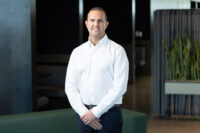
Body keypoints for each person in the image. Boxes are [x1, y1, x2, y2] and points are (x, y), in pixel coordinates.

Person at [65, 7, 129, 133]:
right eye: (92, 20)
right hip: (84, 116)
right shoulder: (77, 52)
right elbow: (70, 87)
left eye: (100, 21)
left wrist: (96, 112)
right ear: (86, 23)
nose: (96, 24)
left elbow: (120, 87)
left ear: (106, 24)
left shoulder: (117, 51)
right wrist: (85, 113)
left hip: (110, 115)